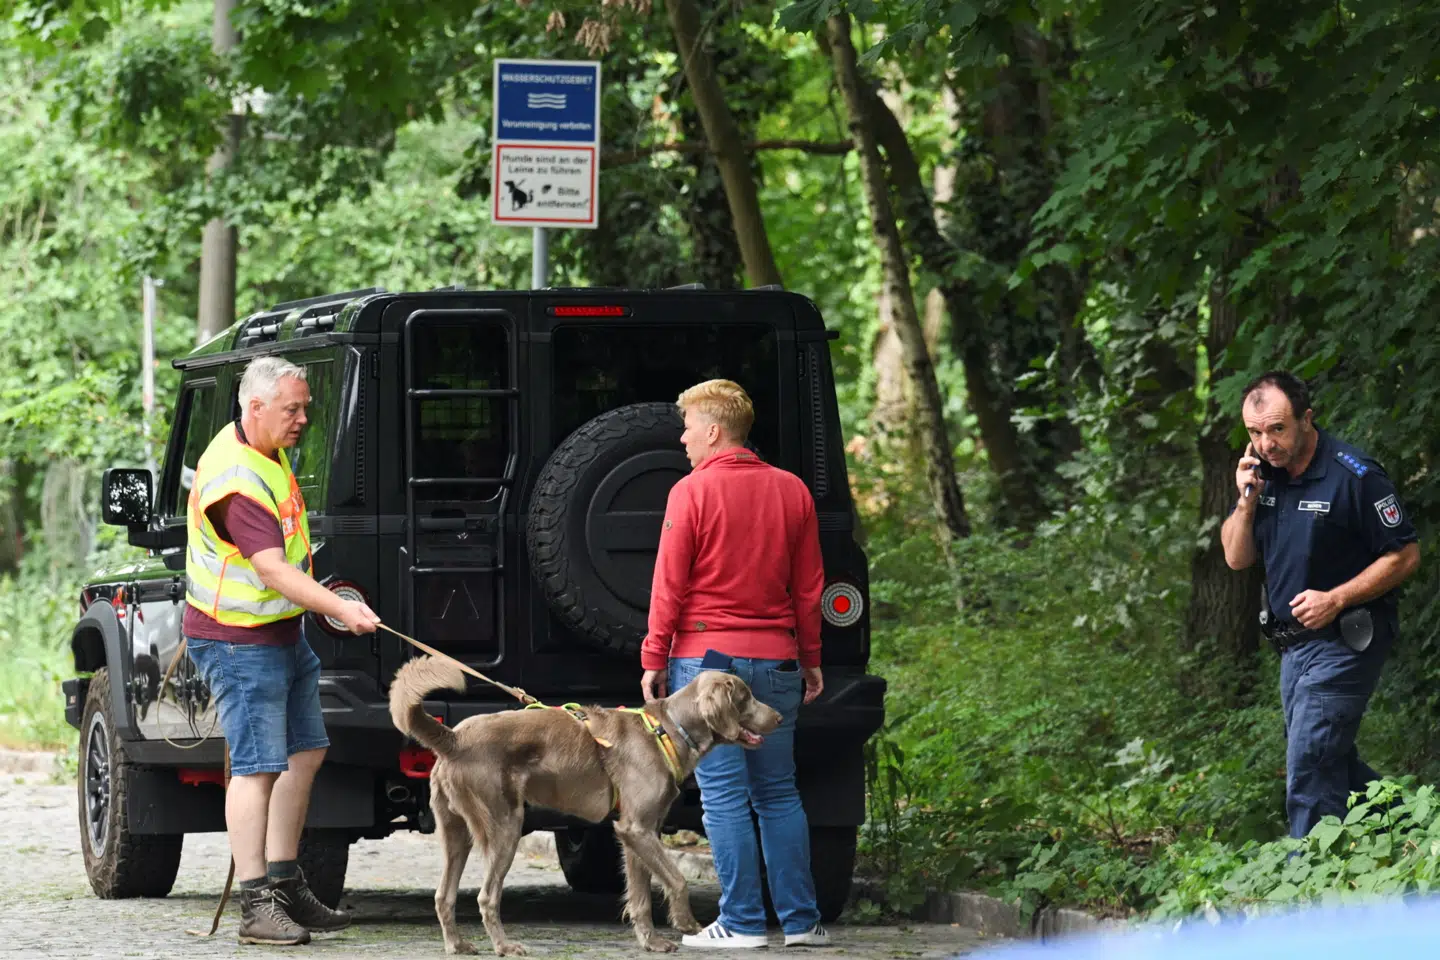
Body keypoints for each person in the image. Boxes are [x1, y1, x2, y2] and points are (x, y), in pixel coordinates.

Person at [182, 357, 382, 946]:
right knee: (257, 767)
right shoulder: (237, 481)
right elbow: (269, 568)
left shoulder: (264, 443)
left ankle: (285, 881)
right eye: (292, 409)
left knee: (305, 753)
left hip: (279, 633)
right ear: (255, 408)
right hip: (237, 640)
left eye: (305, 408)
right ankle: (255, 907)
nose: (303, 420)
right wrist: (338, 607)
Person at [640, 378, 830, 950]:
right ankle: (800, 923)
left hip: (706, 663)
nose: (683, 437)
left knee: (723, 795)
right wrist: (813, 658)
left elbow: (669, 585)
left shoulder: (690, 493)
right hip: (778, 658)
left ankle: (742, 922)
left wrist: (654, 654)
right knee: (778, 791)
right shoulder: (793, 491)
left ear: (715, 431)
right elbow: (809, 588)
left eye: (690, 426)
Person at [1221, 370, 1420, 839]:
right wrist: (1246, 503)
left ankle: (1310, 897)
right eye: (1255, 432)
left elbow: (1405, 554)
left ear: (1306, 419)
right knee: (1332, 761)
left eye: (1277, 429)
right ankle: (1418, 833)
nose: (1266, 443)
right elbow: (1235, 558)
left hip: (1347, 636)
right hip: (1294, 647)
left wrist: (1336, 598)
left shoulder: (1354, 475)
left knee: (1309, 766)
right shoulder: (1261, 477)